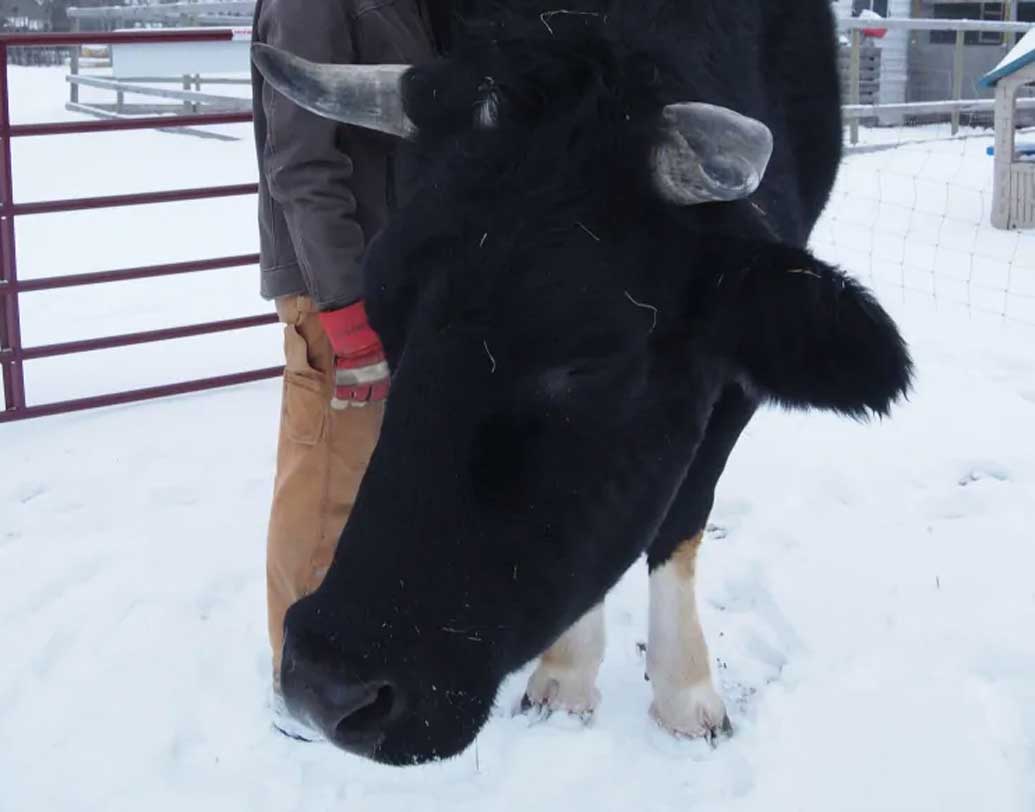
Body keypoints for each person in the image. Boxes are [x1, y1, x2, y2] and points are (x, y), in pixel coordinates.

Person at [251, 0, 451, 737]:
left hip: (396, 276)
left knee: (381, 476)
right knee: (327, 476)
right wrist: (343, 310)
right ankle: (297, 678)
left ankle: (368, 643)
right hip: (340, 286)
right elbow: (300, 164)